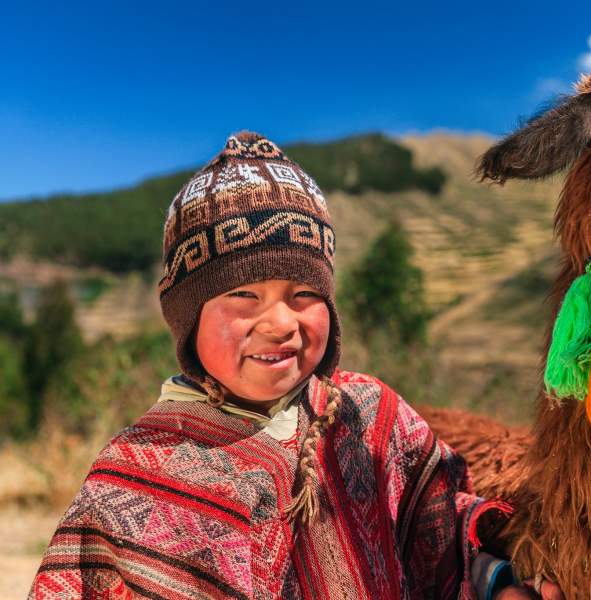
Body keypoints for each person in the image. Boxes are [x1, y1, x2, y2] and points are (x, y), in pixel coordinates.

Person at [29, 132, 560, 599]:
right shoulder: (136, 471)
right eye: (242, 294)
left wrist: (494, 579)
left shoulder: (373, 421)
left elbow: (439, 532)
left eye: (304, 293)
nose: (280, 323)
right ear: (188, 318)